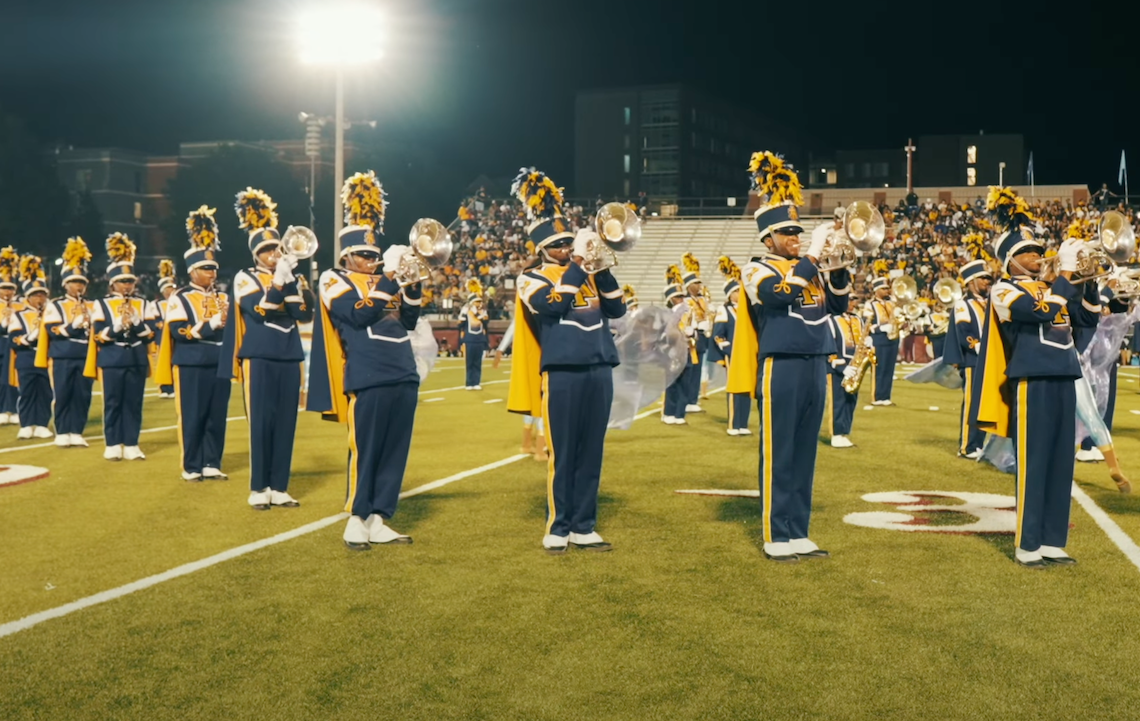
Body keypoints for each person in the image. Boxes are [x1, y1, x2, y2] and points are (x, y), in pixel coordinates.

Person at [726, 151, 849, 563]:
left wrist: (837, 268)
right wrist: (812, 259)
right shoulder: (757, 268)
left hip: (817, 361)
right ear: (768, 238)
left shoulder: (807, 268)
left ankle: (799, 530)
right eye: (787, 232)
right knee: (779, 451)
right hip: (780, 365)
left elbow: (838, 307)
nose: (796, 237)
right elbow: (778, 297)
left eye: (799, 231)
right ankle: (775, 534)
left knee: (804, 452)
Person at [507, 167, 625, 554]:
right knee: (563, 452)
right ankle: (558, 525)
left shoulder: (588, 274)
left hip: (599, 367)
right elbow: (552, 306)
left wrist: (600, 265)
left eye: (567, 242)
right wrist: (577, 263)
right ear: (542, 248)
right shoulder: (532, 278)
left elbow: (617, 309)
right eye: (557, 244)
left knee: (592, 450)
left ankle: (584, 525)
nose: (563, 249)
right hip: (561, 373)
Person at [308, 171, 421, 550]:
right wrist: (389, 279)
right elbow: (356, 315)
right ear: (346, 255)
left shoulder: (384, 281)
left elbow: (407, 321)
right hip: (367, 372)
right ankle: (356, 517)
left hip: (402, 370)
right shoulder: (332, 278)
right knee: (367, 447)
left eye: (375, 256)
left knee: (395, 449)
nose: (371, 262)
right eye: (365, 255)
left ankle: (379, 517)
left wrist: (413, 288)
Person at [974, 186, 1083, 569]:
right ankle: (1027, 543)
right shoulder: (1003, 290)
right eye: (1028, 253)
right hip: (1031, 382)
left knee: (1060, 464)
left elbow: (1083, 325)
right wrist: (1065, 278)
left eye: (1038, 251)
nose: (1038, 257)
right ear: (1009, 260)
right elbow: (1035, 313)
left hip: (1064, 377)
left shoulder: (1055, 289)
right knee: (1034, 461)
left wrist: (1090, 288)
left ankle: (1053, 541)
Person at [217, 190, 307, 506]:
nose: (273, 254)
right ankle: (258, 488)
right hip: (259, 355)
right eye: (267, 250)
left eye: (276, 248)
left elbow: (301, 313)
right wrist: (279, 286)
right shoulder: (244, 277)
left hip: (290, 353)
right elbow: (260, 309)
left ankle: (279, 487)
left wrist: (287, 281)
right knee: (261, 420)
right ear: (255, 254)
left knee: (286, 421)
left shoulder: (290, 275)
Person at [155, 206, 232, 482]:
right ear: (192, 271)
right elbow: (178, 330)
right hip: (192, 362)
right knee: (193, 415)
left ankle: (212, 461)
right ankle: (191, 464)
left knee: (216, 415)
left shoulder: (223, 298)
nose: (212, 273)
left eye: (213, 268)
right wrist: (209, 325)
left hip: (219, 362)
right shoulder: (180, 297)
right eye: (206, 268)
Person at [87, 233, 157, 461]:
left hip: (136, 357)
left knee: (134, 402)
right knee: (113, 401)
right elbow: (99, 336)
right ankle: (113, 442)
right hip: (112, 358)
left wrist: (137, 322)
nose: (128, 285)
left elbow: (150, 335)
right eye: (123, 281)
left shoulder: (144, 303)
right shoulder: (101, 304)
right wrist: (117, 326)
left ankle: (132, 442)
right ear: (112, 283)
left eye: (130, 281)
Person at [34, 237, 95, 447]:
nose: (78, 286)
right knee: (63, 392)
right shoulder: (56, 305)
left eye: (81, 283)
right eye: (74, 282)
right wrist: (73, 325)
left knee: (83, 394)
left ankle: (77, 430)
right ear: (65, 284)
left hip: (85, 356)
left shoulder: (92, 305)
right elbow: (53, 330)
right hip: (63, 355)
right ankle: (62, 430)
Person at [944, 256, 992, 459]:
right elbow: (963, 330)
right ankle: (967, 446)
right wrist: (978, 345)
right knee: (973, 402)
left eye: (988, 279)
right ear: (971, 282)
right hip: (974, 359)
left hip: (990, 358)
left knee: (985, 403)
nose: (987, 282)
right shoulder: (963, 305)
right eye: (983, 279)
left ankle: (978, 443)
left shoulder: (989, 303)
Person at [8, 256, 52, 439]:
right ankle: (26, 424)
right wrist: (30, 336)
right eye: (35, 295)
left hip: (46, 358)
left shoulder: (51, 313)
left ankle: (42, 423)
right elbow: (14, 339)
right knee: (26, 392)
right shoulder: (19, 315)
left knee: (45, 393)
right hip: (26, 358)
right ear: (28, 298)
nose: (39, 298)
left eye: (42, 294)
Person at [494, 315, 548, 461]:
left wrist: (500, 349)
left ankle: (526, 444)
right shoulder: (544, 305)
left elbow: (513, 328)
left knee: (531, 400)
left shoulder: (524, 307)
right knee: (543, 400)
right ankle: (540, 451)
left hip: (526, 358)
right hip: (543, 357)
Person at [712, 256, 751, 437]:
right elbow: (718, 334)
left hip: (746, 353)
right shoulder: (724, 309)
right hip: (732, 354)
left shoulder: (747, 309)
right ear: (730, 294)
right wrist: (729, 350)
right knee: (735, 387)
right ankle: (733, 424)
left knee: (747, 387)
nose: (739, 293)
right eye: (736, 291)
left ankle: (743, 423)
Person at [826, 296, 863, 448]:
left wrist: (868, 342)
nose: (853, 303)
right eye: (850, 300)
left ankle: (845, 431)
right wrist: (840, 367)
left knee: (851, 399)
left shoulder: (858, 319)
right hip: (839, 365)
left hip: (855, 363)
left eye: (855, 300)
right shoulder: (831, 320)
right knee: (838, 399)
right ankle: (836, 433)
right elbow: (827, 345)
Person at [660, 265, 694, 425]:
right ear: (672, 299)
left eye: (682, 296)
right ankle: (670, 413)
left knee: (683, 384)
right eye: (678, 297)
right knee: (673, 384)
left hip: (686, 350)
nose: (682, 299)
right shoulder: (668, 314)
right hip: (673, 351)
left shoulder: (687, 311)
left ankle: (679, 414)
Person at [680, 253, 711, 411]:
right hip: (689, 338)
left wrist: (707, 324)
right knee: (689, 369)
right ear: (689, 286)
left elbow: (708, 315)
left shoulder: (702, 300)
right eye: (696, 283)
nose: (699, 286)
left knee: (698, 370)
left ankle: (693, 399)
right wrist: (697, 325)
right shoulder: (685, 300)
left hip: (702, 338)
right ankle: (684, 399)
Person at [862, 277, 899, 405]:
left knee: (889, 368)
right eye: (884, 289)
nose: (887, 291)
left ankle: (886, 396)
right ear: (876, 290)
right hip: (879, 338)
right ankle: (877, 397)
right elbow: (866, 323)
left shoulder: (892, 303)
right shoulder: (870, 304)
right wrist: (880, 328)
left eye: (887, 288)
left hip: (893, 338)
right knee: (879, 368)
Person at [0, 247, 20, 426]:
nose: (7, 292)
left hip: (13, 346)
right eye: (4, 288)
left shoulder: (19, 305)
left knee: (12, 378)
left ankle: (12, 409)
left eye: (10, 289)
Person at [459, 280, 489, 390]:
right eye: (476, 302)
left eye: (479, 301)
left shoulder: (482, 311)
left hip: (480, 338)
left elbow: (486, 322)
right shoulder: (465, 310)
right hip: (469, 338)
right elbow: (460, 323)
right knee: (469, 362)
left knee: (477, 362)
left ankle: (476, 382)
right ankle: (469, 383)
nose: (478, 303)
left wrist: (477, 312)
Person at [155, 259, 178, 399]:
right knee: (163, 362)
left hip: (175, 338)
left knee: (174, 362)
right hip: (162, 339)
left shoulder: (179, 301)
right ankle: (164, 387)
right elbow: (156, 322)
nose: (170, 292)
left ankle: (174, 386)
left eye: (172, 288)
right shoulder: (157, 305)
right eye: (167, 289)